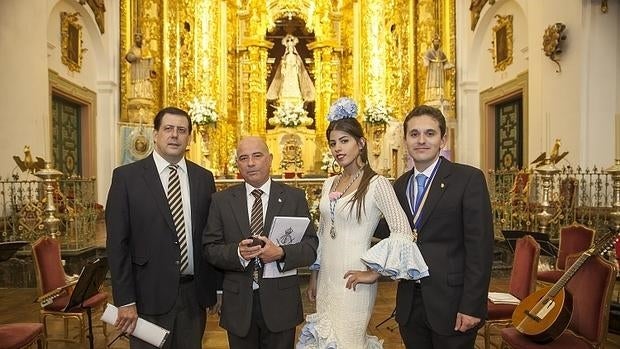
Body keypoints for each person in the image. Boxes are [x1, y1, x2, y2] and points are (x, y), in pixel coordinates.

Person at [297, 97, 429, 349]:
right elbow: (324, 233)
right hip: (327, 279)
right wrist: (314, 275)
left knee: (348, 342)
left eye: (344, 141)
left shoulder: (377, 184)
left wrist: (374, 273)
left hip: (353, 281)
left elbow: (403, 231)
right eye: (333, 143)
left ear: (361, 143)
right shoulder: (328, 184)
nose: (338, 148)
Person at [106, 106, 221, 349]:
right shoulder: (126, 178)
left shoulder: (203, 178)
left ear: (189, 137)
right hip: (147, 296)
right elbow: (118, 244)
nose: (175, 135)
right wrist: (125, 300)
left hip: (193, 296)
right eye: (168, 129)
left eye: (181, 130)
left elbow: (210, 238)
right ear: (155, 134)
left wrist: (214, 290)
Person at [390, 105, 494, 349]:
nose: (421, 140)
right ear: (405, 140)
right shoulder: (399, 186)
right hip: (410, 305)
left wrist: (471, 306)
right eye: (414, 134)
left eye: (430, 133)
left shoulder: (468, 179)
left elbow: (480, 248)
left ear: (443, 139)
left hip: (453, 304)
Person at [203, 136, 318, 349]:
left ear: (270, 158)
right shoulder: (221, 201)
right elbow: (210, 249)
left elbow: (311, 247)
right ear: (237, 163)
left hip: (281, 303)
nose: (251, 163)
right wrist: (237, 253)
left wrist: (281, 253)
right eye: (243, 158)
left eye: (257, 156)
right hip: (239, 305)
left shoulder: (294, 198)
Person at [267, 34, 315, 103]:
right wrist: (283, 65)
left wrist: (296, 66)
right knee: (286, 84)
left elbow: (299, 66)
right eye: (289, 47)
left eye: (291, 47)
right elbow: (282, 68)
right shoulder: (285, 57)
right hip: (287, 73)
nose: (290, 49)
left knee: (295, 84)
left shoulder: (296, 57)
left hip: (294, 72)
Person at [422, 35, 453, 103]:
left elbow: (445, 63)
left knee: (439, 83)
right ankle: (432, 95)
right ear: (433, 43)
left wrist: (449, 66)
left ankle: (440, 94)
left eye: (438, 42)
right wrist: (426, 63)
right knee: (433, 82)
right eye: (435, 42)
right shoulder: (429, 52)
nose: (436, 44)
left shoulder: (441, 53)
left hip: (440, 71)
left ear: (439, 43)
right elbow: (425, 59)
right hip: (432, 71)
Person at [125, 32, 154, 99]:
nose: (137, 39)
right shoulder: (133, 49)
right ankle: (136, 95)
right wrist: (135, 57)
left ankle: (145, 95)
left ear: (141, 39)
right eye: (136, 38)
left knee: (145, 85)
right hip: (136, 72)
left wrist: (151, 69)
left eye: (139, 38)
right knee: (136, 86)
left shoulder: (146, 49)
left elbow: (150, 59)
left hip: (144, 73)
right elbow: (128, 57)